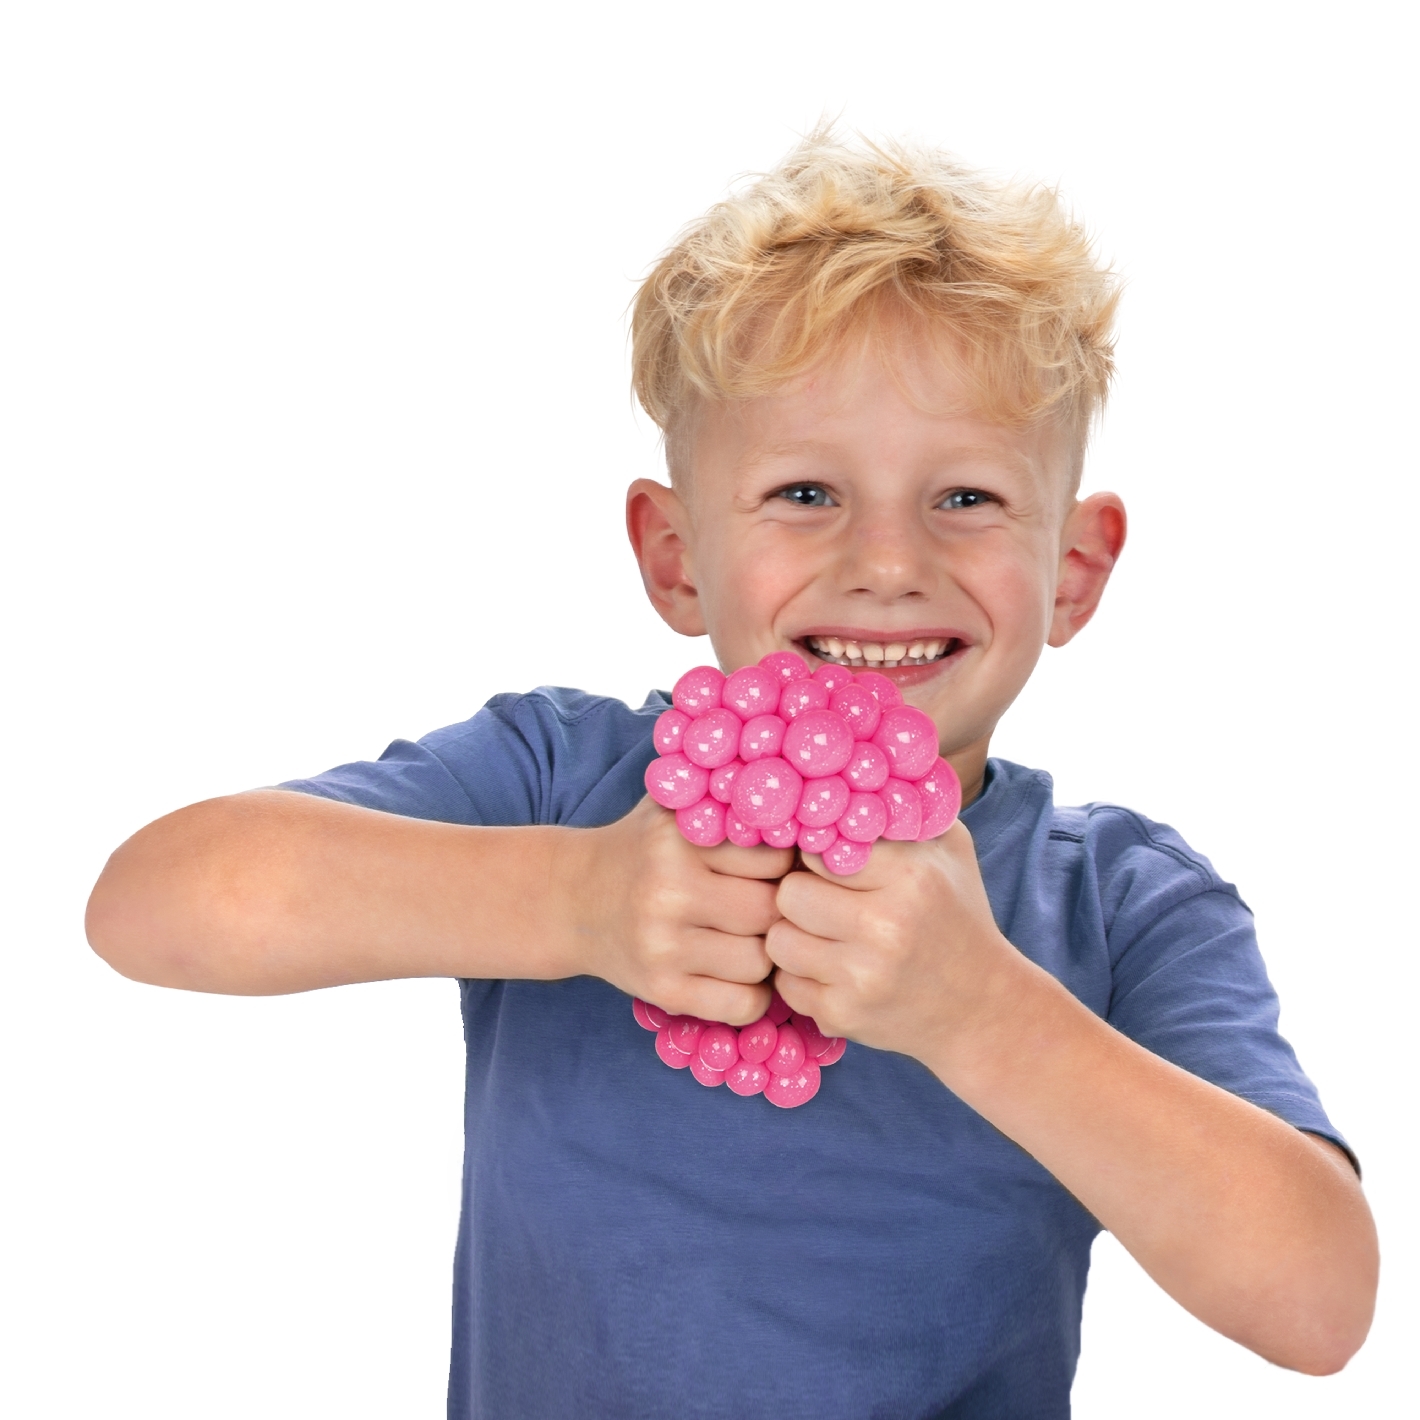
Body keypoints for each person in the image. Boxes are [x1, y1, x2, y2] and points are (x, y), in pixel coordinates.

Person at [85, 132, 1378, 1418]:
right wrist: (578, 900)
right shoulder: (559, 780)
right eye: (806, 492)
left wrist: (983, 1013)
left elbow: (1319, 1305)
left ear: (1075, 572)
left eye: (968, 499)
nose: (888, 562)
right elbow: (153, 904)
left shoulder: (1124, 901)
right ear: (675, 555)